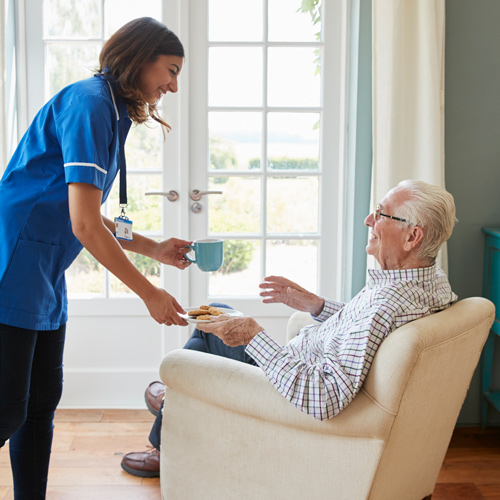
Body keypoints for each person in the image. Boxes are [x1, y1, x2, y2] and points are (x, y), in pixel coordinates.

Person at [121, 179, 458, 478]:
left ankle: (169, 428)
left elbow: (324, 397)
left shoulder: (388, 303)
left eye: (382, 214)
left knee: (198, 345)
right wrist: (317, 305)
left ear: (413, 236)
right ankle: (175, 400)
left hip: (287, 388)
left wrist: (254, 336)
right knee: (218, 313)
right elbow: (366, 332)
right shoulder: (426, 283)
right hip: (298, 366)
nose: (369, 220)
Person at [0, 17, 191, 499]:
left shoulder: (110, 110)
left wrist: (152, 248)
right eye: (169, 70)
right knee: (6, 409)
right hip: (15, 263)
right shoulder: (89, 104)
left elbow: (88, 212)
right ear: (139, 57)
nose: (172, 85)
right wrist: (149, 293)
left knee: (40, 404)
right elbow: (84, 225)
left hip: (45, 269)